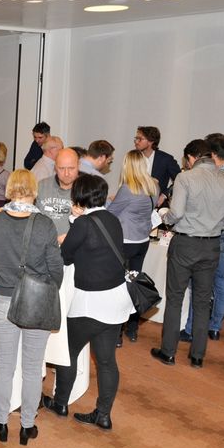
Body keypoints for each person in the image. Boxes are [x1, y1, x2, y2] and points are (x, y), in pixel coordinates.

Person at [43, 174, 133, 432]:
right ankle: (103, 415)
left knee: (68, 351)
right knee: (106, 361)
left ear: (79, 197)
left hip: (89, 303)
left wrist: (74, 220)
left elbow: (65, 256)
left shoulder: (82, 223)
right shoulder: (112, 220)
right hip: (116, 301)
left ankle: (61, 403)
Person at [0, 169, 62, 445]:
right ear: (34, 191)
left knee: (3, 365)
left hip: (3, 300)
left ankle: (1, 421)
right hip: (36, 303)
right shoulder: (45, 224)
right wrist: (48, 291)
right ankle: (27, 425)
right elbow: (56, 268)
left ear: (9, 190)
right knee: (32, 367)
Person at [151, 139, 224, 369]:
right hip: (212, 245)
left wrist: (164, 216)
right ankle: (198, 356)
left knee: (175, 298)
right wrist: (212, 225)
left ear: (191, 157)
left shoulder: (186, 178)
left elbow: (177, 213)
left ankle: (168, 352)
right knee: (202, 301)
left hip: (185, 243)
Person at [180, 133, 224, 342]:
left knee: (199, 284)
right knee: (221, 281)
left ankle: (191, 329)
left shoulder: (211, 176)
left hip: (205, 235)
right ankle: (215, 327)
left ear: (211, 154)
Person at [107, 149, 159, 343]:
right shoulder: (154, 187)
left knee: (120, 287)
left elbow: (110, 213)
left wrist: (109, 200)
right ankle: (133, 328)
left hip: (125, 242)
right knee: (135, 283)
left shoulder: (127, 189)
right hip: (142, 242)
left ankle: (117, 333)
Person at [36, 147, 79, 241]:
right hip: (44, 244)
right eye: (62, 168)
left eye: (71, 168)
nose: (66, 173)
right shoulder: (42, 186)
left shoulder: (87, 189)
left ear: (78, 166)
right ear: (55, 167)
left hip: (73, 247)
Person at [134, 126, 181, 207]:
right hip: (135, 204)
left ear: (150, 141)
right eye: (136, 138)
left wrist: (164, 195)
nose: (136, 142)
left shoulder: (166, 159)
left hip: (157, 206)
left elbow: (180, 181)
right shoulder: (133, 158)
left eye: (140, 139)